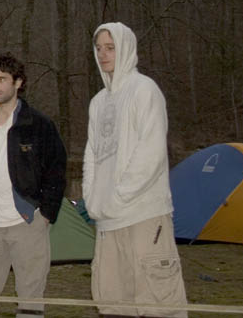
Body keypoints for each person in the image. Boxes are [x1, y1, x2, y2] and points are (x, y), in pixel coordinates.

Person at [84, 23, 187, 318]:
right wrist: (93, 200)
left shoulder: (145, 91)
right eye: (99, 48)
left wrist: (118, 197)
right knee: (114, 304)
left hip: (144, 214)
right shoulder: (98, 102)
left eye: (110, 47)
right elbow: (92, 154)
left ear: (126, 48)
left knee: (157, 303)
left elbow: (151, 153)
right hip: (106, 222)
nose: (103, 54)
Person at [0, 54, 67, 318]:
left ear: (18, 83)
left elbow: (56, 171)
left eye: (2, 79)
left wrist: (45, 214)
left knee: (30, 300)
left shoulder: (39, 125)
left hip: (28, 222)